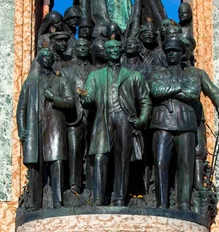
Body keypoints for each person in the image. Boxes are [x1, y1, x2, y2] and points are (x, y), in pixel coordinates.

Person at [81, 39, 152, 206]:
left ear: (122, 51)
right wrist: (85, 99)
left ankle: (120, 197)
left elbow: (145, 100)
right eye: (110, 48)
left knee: (122, 159)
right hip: (102, 119)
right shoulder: (95, 76)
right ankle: (98, 198)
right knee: (100, 158)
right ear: (105, 53)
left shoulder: (134, 76)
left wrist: (142, 119)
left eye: (117, 48)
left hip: (124, 120)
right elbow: (89, 98)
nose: (114, 50)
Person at [17, 48, 74, 209]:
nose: (47, 59)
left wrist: (54, 98)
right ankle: (35, 204)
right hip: (35, 127)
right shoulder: (30, 82)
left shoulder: (61, 81)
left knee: (57, 162)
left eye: (50, 56)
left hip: (55, 125)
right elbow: (21, 108)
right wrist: (22, 128)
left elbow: (70, 102)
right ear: (39, 60)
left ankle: (58, 201)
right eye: (44, 56)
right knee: (35, 166)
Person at [149, 36, 201, 210]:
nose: (172, 55)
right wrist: (179, 87)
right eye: (169, 52)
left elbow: (193, 93)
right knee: (161, 162)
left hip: (185, 123)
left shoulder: (192, 73)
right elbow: (156, 91)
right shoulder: (158, 73)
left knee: (185, 164)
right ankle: (161, 203)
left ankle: (184, 204)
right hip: (163, 122)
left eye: (175, 52)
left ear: (182, 54)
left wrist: (169, 91)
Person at [61, 39, 94, 194]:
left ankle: (92, 184)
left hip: (92, 116)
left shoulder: (96, 71)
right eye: (79, 46)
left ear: (89, 50)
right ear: (75, 50)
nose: (82, 48)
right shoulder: (66, 72)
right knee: (74, 151)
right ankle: (75, 184)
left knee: (92, 151)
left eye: (85, 46)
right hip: (74, 117)